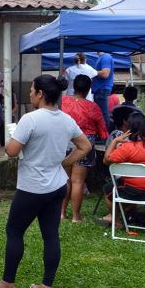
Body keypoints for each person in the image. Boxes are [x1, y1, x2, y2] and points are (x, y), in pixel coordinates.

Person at [0, 75, 90, 288]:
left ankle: (7, 283)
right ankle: (46, 287)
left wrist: (14, 138)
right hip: (57, 185)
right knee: (51, 236)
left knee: (14, 232)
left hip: (32, 187)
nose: (30, 94)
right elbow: (85, 146)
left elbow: (11, 151)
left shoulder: (30, 119)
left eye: (32, 90)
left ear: (41, 93)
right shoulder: (66, 120)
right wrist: (65, 162)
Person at [97, 112, 145, 228]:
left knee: (109, 188)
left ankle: (115, 220)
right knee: (129, 183)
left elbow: (106, 160)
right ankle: (140, 211)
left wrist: (115, 141)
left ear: (129, 128)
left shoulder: (129, 147)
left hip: (138, 191)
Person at [61, 75, 109, 222]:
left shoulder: (63, 102)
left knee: (65, 180)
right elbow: (103, 132)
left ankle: (61, 213)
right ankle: (76, 216)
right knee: (78, 181)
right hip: (85, 143)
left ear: (73, 86)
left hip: (64, 141)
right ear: (89, 89)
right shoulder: (92, 107)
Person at [91, 51, 115, 130]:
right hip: (99, 89)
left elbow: (105, 74)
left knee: (102, 113)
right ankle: (103, 135)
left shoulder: (106, 57)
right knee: (100, 113)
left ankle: (105, 137)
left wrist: (92, 72)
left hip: (102, 89)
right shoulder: (102, 58)